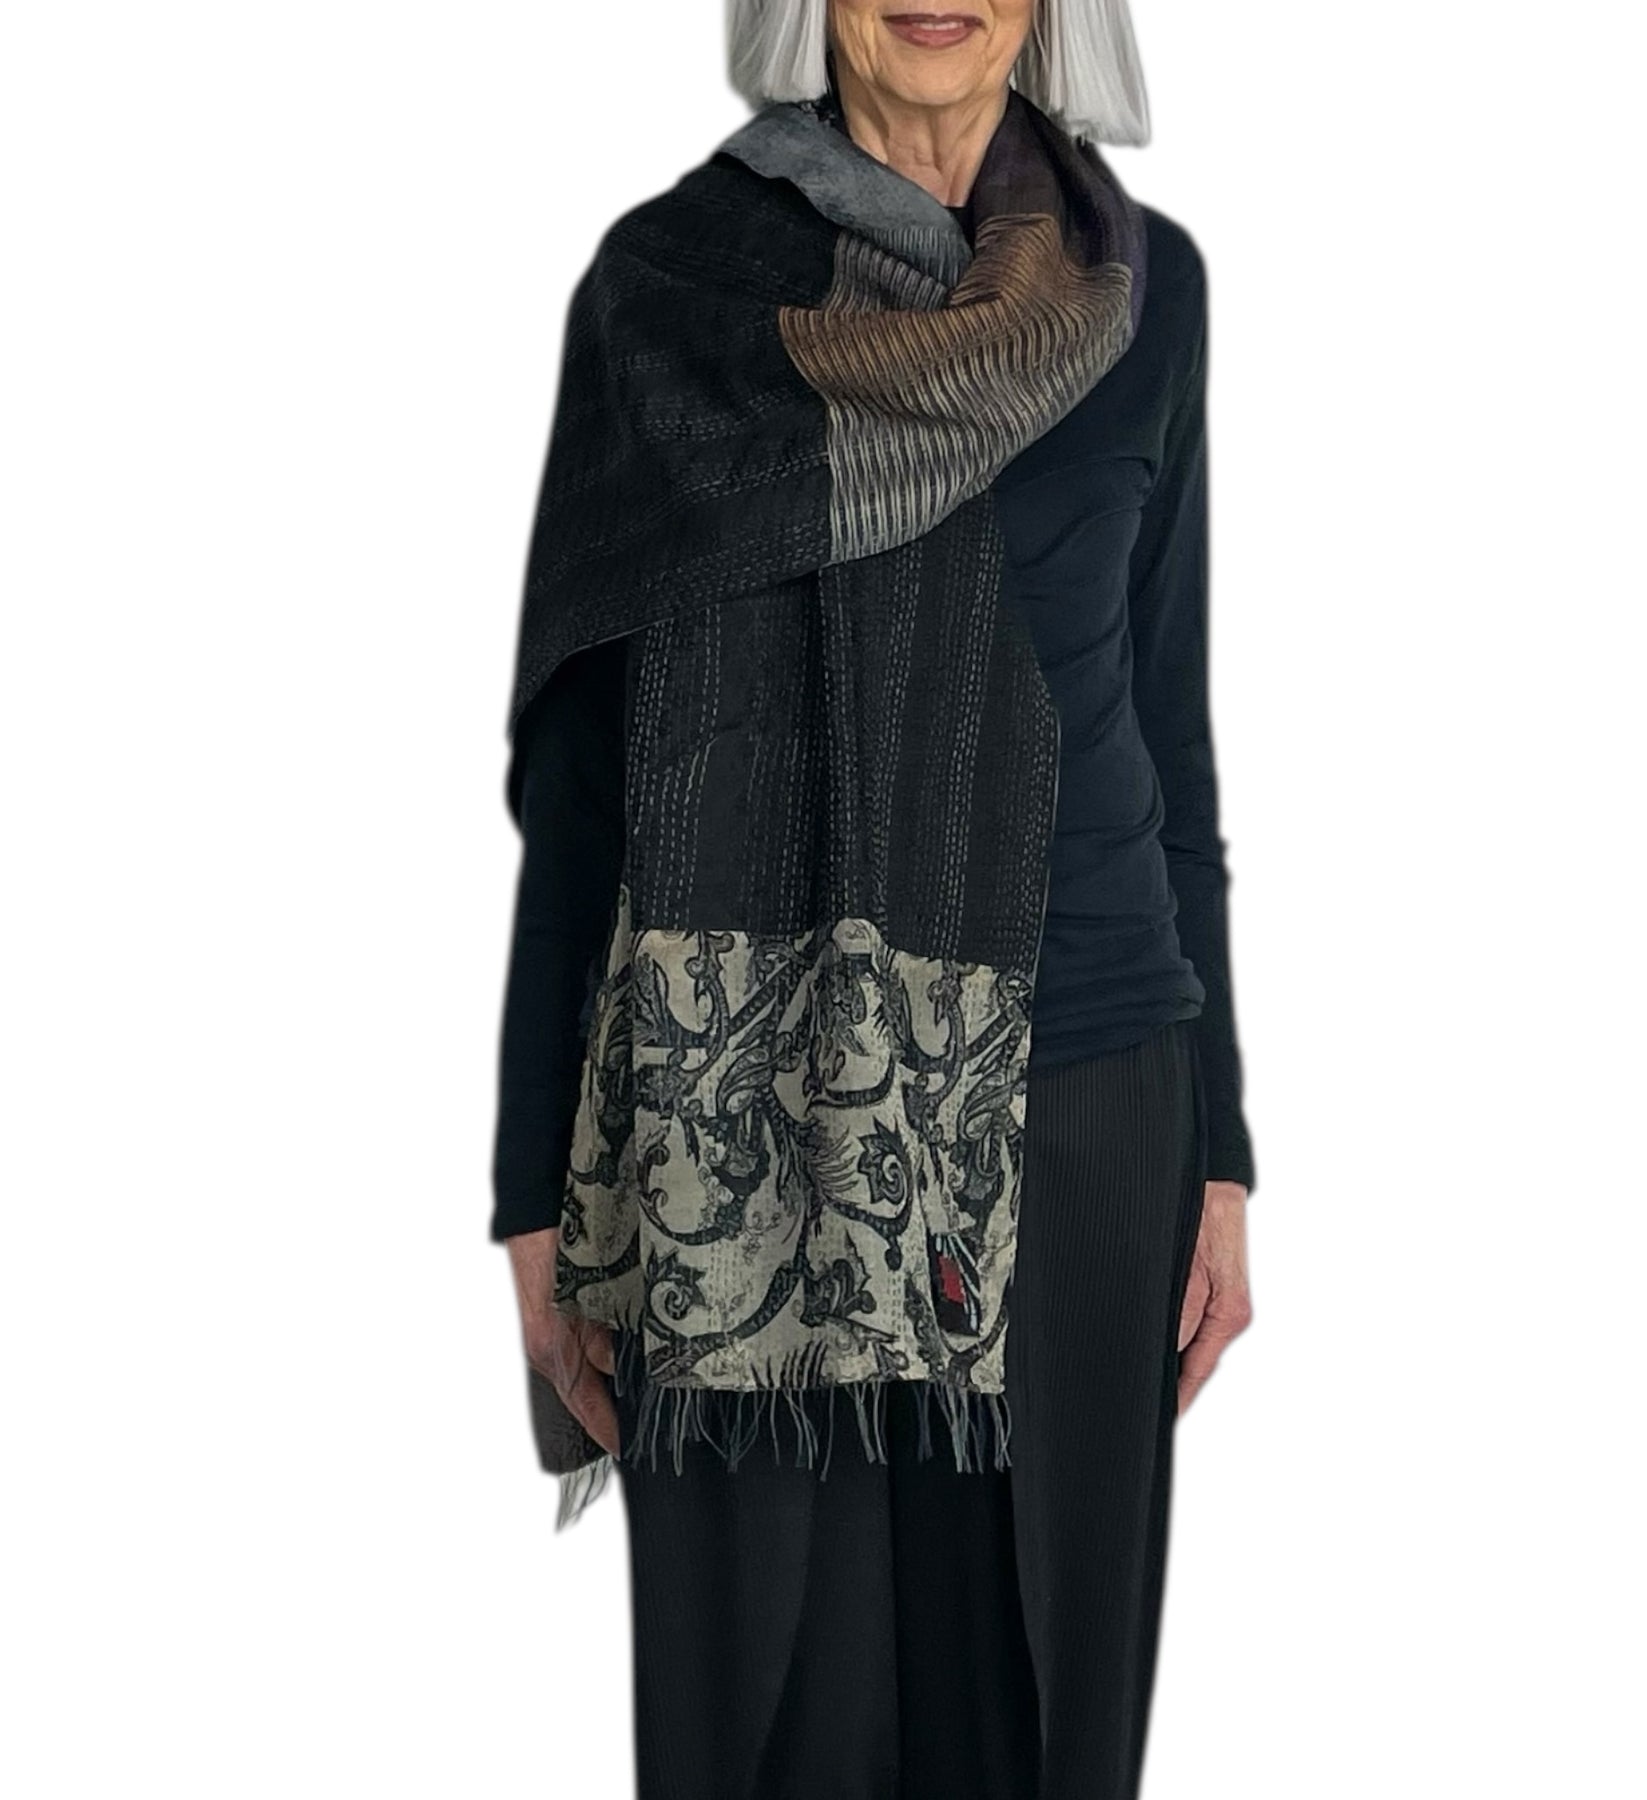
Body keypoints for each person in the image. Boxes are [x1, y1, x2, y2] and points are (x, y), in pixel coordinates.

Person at [491, 3, 1257, 1794]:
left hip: (1087, 1095)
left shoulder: (1145, 294)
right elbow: (579, 793)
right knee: (779, 1730)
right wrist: (535, 1188)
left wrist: (1219, 1149)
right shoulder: (667, 299)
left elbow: (1166, 731)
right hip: (742, 1121)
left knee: (1039, 1727)